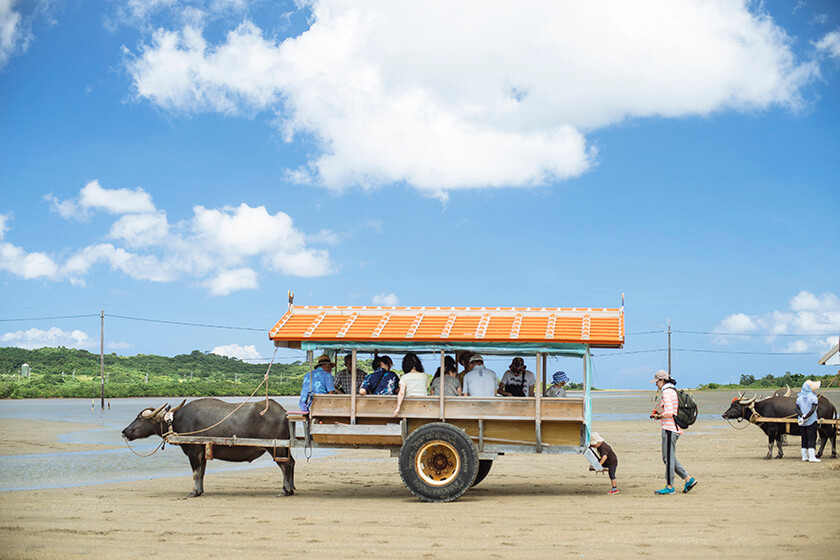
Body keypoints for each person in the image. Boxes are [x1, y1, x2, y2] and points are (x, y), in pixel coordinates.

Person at [650, 369, 697, 495]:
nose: (656, 384)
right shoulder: (673, 391)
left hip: (670, 428)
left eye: (656, 381)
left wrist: (658, 416)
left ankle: (670, 486)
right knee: (668, 458)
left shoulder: (667, 392)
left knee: (668, 459)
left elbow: (670, 412)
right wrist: (661, 415)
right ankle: (688, 479)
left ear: (662, 380)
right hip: (672, 427)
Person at [796, 380, 822, 463]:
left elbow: (796, 409)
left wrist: (802, 416)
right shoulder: (813, 397)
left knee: (804, 438)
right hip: (811, 421)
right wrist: (806, 417)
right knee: (812, 438)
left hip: (801, 422)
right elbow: (813, 409)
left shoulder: (799, 397)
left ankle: (804, 456)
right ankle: (812, 457)